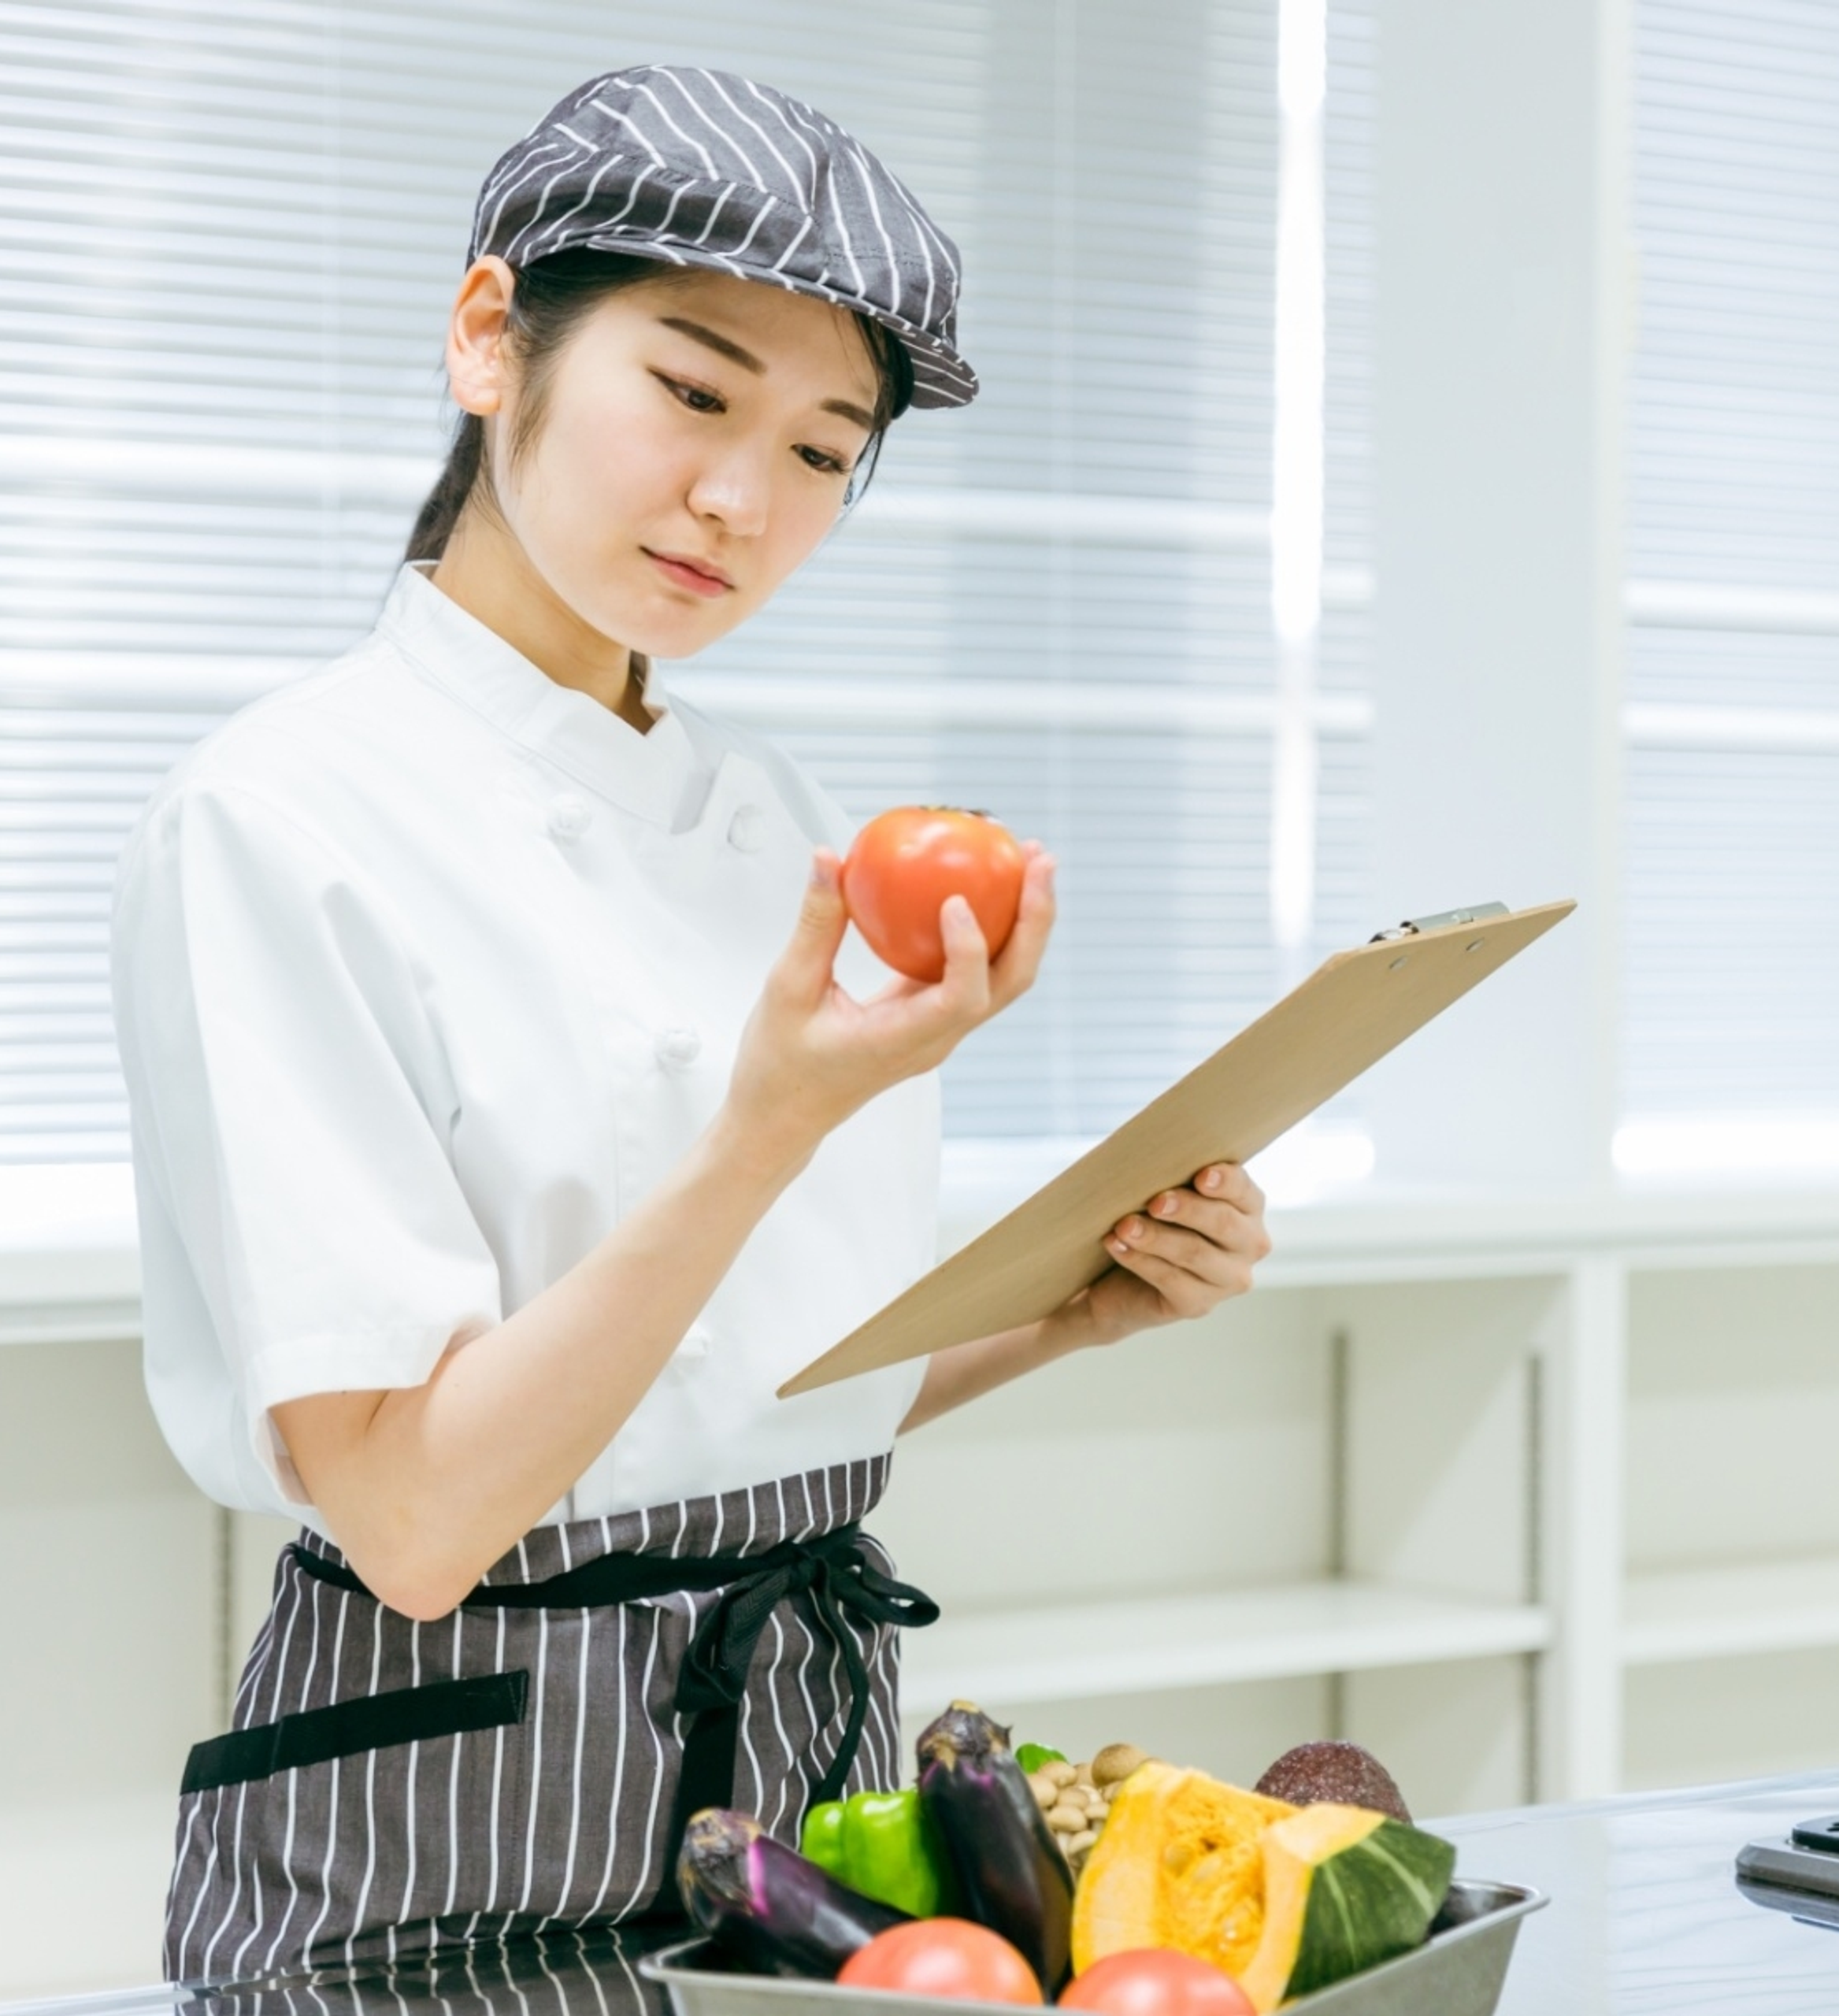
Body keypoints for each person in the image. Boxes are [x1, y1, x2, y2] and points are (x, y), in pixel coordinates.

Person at [111, 65, 1273, 1982]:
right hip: (447, 1840)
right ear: (495, 337)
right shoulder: (278, 818)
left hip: (809, 1783)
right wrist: (766, 1130)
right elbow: (410, 1513)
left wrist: (1076, 1307)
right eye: (695, 390)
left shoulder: (783, 822)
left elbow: (743, 1394)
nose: (744, 499)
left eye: (827, 449)